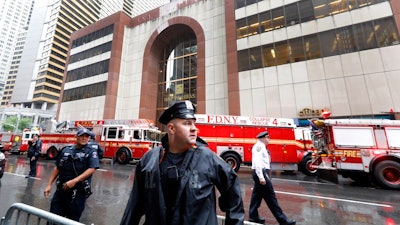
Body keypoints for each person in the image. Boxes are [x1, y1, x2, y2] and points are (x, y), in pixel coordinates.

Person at [120, 100, 244, 225]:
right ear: (171, 128)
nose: (194, 129)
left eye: (194, 124)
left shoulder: (208, 158)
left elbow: (233, 195)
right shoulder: (149, 161)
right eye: (187, 123)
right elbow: (134, 206)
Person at [44, 128, 99, 222]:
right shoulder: (66, 150)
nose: (84, 138)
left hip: (77, 194)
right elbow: (57, 167)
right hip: (61, 192)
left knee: (72, 221)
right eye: (82, 136)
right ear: (76, 136)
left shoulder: (91, 152)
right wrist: (49, 185)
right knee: (53, 219)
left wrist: (74, 181)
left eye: (87, 136)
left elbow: (92, 168)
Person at [248, 131, 296, 225]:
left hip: (261, 173)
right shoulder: (259, 146)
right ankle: (283, 220)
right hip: (261, 172)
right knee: (271, 197)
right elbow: (258, 162)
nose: (269, 139)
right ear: (262, 138)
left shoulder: (262, 146)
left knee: (256, 196)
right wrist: (261, 177)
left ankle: (253, 216)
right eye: (268, 137)